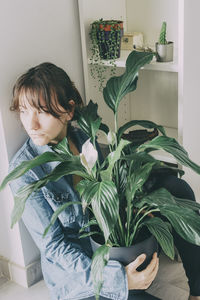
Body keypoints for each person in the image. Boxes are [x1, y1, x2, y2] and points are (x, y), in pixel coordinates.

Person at [8, 62, 200, 300]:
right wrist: (119, 279)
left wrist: (140, 207)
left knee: (177, 189)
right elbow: (55, 248)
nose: (31, 124)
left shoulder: (83, 136)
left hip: (114, 246)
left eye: (42, 112)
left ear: (69, 111)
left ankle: (197, 291)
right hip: (83, 274)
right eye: (24, 111)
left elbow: (112, 193)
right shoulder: (26, 170)